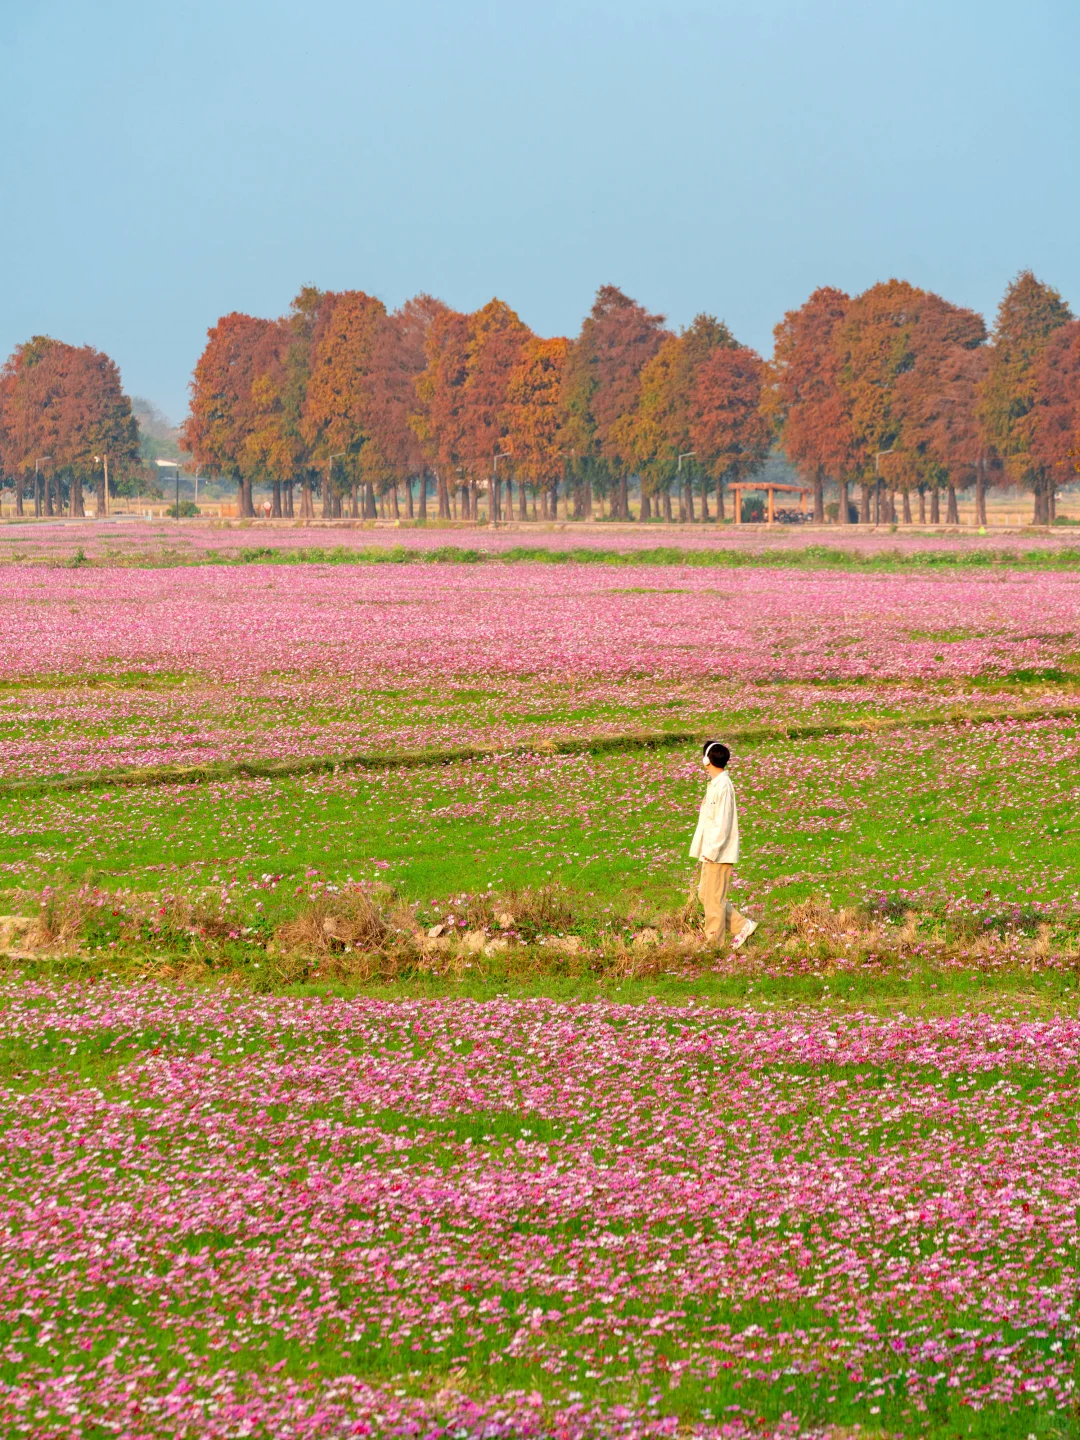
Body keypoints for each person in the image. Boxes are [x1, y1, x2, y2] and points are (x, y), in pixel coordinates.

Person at [689, 740, 757, 948]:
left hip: (718, 853)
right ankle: (742, 926)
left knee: (713, 900)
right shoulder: (717, 784)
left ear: (705, 760)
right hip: (711, 851)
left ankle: (714, 945)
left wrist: (712, 851)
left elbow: (723, 822)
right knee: (705, 895)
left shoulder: (723, 786)